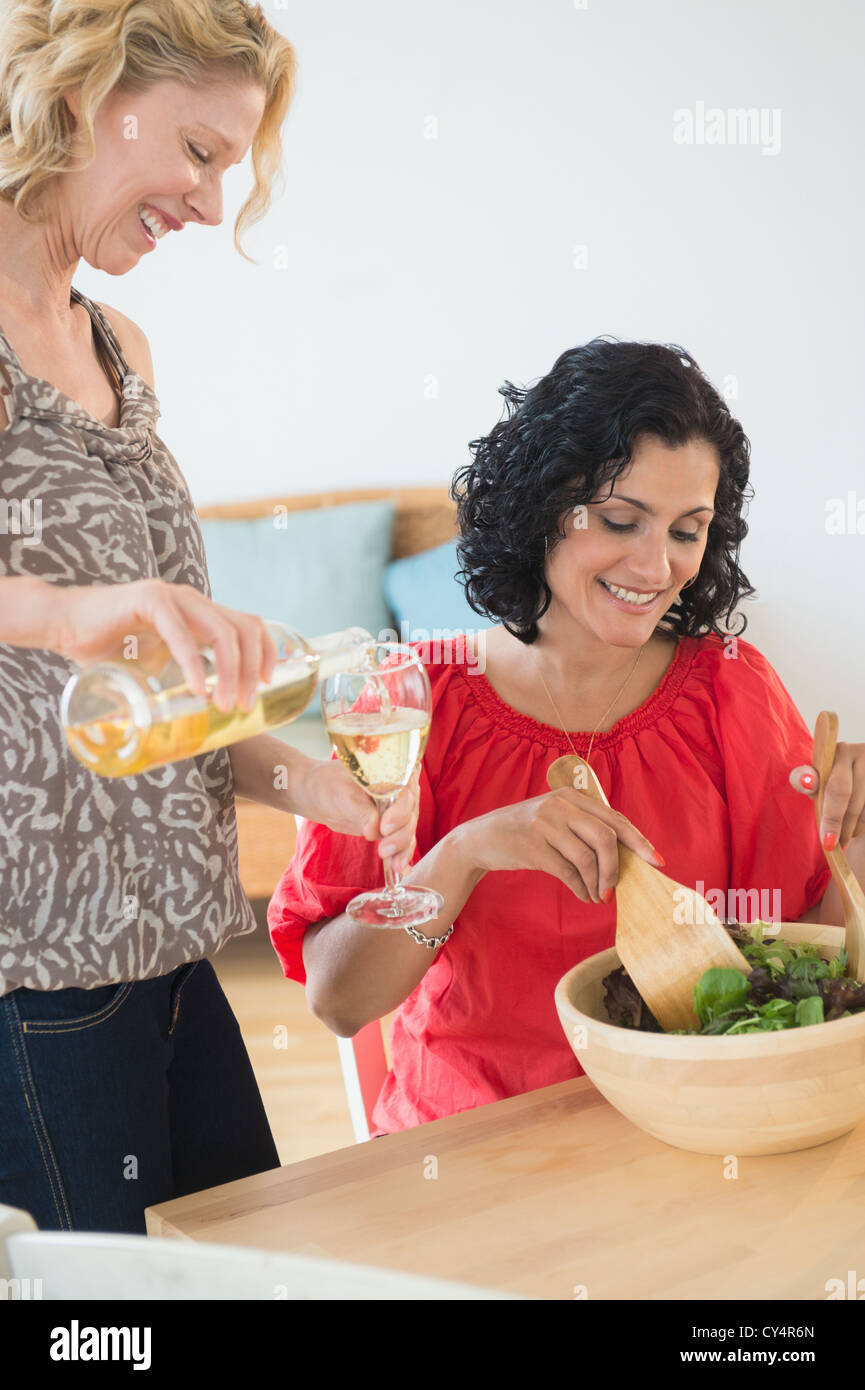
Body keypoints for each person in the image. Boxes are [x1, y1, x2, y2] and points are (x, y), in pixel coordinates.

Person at [0, 1, 416, 1233]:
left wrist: (314, 789)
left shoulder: (114, 343)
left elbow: (160, 702)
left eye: (228, 166)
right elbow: (85, 630)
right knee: (107, 1330)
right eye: (196, 151)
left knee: (243, 1272)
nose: (210, 199)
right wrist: (80, 611)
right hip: (44, 968)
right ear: (85, 97)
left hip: (178, 951)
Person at [268, 338, 865, 1136]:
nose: (655, 566)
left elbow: (800, 958)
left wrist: (852, 843)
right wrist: (467, 853)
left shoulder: (731, 687)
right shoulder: (412, 703)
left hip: (685, 1128)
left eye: (687, 531)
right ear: (544, 506)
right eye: (621, 521)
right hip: (473, 1142)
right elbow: (340, 1002)